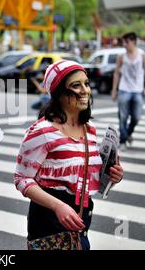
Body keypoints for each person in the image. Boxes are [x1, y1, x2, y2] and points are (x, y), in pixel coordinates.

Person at [14, 60, 124, 250]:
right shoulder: (42, 131)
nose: (85, 90)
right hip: (48, 227)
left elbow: (85, 176)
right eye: (76, 85)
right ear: (58, 93)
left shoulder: (90, 129)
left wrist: (113, 176)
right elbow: (21, 179)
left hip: (80, 226)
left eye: (86, 84)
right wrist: (58, 206)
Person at [111, 32, 145, 149]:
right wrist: (114, 90)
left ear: (133, 42)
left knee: (137, 117)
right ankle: (123, 141)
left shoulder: (142, 55)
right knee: (122, 117)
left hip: (138, 90)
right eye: (124, 42)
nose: (125, 44)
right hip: (124, 89)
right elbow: (117, 73)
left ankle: (127, 134)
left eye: (126, 42)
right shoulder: (121, 56)